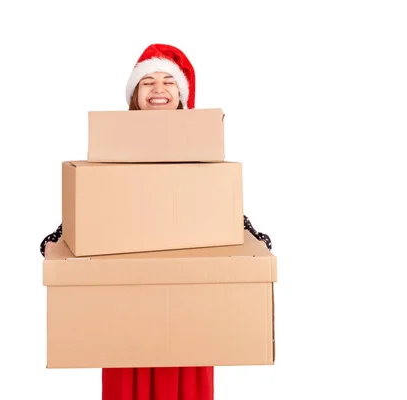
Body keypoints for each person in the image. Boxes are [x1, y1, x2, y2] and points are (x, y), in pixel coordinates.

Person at [40, 44, 272, 400]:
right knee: (125, 370)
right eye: (147, 82)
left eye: (168, 81)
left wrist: (254, 241)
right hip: (126, 291)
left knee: (187, 370)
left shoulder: (201, 151)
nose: (158, 89)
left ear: (182, 95)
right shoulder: (112, 148)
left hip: (187, 290)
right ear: (135, 95)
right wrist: (57, 241)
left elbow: (221, 203)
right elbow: (91, 202)